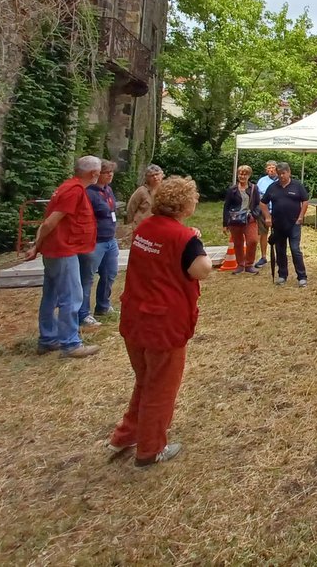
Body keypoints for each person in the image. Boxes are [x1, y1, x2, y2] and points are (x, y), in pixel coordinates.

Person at [108, 175, 212, 467]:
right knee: (161, 386)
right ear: (185, 205)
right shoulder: (184, 238)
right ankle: (151, 449)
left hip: (136, 316)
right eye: (194, 198)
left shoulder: (145, 228)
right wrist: (196, 242)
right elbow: (202, 269)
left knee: (145, 381)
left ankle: (126, 435)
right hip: (163, 323)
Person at [26, 156, 101, 358]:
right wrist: (36, 246)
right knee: (71, 297)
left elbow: (48, 222)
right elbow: (50, 222)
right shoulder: (74, 191)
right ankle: (71, 344)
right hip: (62, 250)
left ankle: (48, 339)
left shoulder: (67, 187)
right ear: (93, 173)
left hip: (55, 250)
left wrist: (38, 246)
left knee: (51, 296)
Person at [79, 159, 121, 323]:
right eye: (105, 172)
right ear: (97, 174)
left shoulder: (108, 189)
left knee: (110, 273)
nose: (110, 175)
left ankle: (103, 306)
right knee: (87, 278)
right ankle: (83, 313)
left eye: (111, 172)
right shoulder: (89, 193)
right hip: (95, 242)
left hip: (110, 239)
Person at [259, 161, 310, 287]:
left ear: (289, 172)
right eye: (279, 173)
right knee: (280, 250)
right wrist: (267, 217)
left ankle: (302, 277)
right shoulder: (273, 187)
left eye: (284, 173)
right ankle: (282, 275)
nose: (282, 176)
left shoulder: (297, 185)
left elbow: (305, 201)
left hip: (294, 224)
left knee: (295, 249)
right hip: (278, 225)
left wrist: (301, 217)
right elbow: (263, 203)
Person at [222, 165, 260, 275]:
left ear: (249, 176)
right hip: (235, 220)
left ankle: (249, 264)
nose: (242, 176)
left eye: (245, 174)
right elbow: (226, 206)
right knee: (238, 243)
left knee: (252, 241)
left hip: (249, 219)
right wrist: (225, 223)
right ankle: (240, 265)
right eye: (240, 174)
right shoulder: (232, 190)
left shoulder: (254, 188)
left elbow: (258, 204)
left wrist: (254, 215)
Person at [253, 160, 278, 270]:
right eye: (269, 168)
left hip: (277, 211)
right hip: (263, 211)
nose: (271, 170)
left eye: (273, 167)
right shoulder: (261, 181)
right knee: (263, 234)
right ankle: (263, 257)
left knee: (278, 234)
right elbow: (257, 196)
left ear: (277, 169)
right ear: (266, 170)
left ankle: (278, 256)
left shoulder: (281, 180)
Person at [126, 164, 164, 231]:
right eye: (152, 175)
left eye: (157, 174)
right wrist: (132, 224)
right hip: (141, 226)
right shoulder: (142, 191)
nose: (155, 177)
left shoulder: (165, 190)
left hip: (159, 226)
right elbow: (131, 208)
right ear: (147, 178)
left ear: (162, 175)